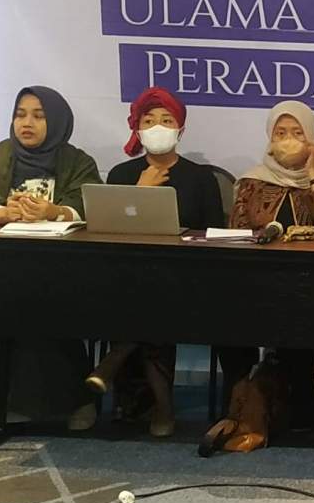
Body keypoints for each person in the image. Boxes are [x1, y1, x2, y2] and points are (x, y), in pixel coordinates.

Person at [200, 100, 314, 456]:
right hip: (257, 280)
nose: (288, 140)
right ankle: (239, 402)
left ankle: (299, 403)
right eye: (280, 133)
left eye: (297, 133)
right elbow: (238, 232)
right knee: (224, 313)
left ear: (312, 138)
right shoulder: (252, 180)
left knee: (300, 312)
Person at [0, 86, 100, 444]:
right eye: (20, 114)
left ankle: (74, 403)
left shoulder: (78, 162)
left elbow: (93, 207)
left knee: (61, 309)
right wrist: (2, 212)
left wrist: (55, 211)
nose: (26, 123)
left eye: (38, 116)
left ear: (57, 122)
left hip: (60, 271)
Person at [84, 87, 226, 438]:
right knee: (145, 298)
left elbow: (216, 235)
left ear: (181, 129)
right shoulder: (121, 174)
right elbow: (107, 230)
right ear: (137, 128)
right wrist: (141, 191)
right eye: (149, 121)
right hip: (129, 276)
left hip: (185, 276)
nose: (158, 127)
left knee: (153, 296)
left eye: (167, 120)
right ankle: (163, 407)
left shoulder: (200, 178)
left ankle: (116, 360)